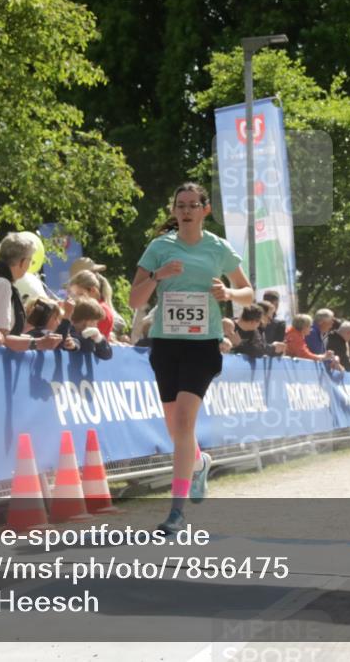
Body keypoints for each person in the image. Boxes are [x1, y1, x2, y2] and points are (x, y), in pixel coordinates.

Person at [129, 182, 253, 535]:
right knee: (175, 428)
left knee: (184, 422)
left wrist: (228, 292)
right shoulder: (159, 247)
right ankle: (198, 462)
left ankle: (176, 512)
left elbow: (248, 292)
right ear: (174, 210)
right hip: (167, 345)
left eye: (192, 205)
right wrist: (158, 276)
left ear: (204, 210)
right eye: (180, 205)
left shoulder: (218, 247)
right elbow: (134, 300)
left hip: (202, 345)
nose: (185, 211)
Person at [0, 232, 61, 352]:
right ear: (23, 262)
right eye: (30, 261)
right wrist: (39, 343)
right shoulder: (2, 284)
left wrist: (28, 327)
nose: (30, 265)